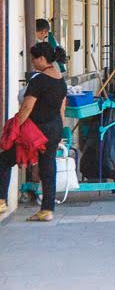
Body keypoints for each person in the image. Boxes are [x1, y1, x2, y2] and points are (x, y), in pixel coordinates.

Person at [0, 42, 68, 221]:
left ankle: (1, 200)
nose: (32, 62)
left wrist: (16, 126)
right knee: (48, 167)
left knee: (4, 160)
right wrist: (59, 130)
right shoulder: (60, 80)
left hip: (36, 132)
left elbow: (27, 107)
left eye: (33, 59)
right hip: (54, 129)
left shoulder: (39, 81)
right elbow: (62, 108)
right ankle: (47, 210)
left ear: (42, 59)